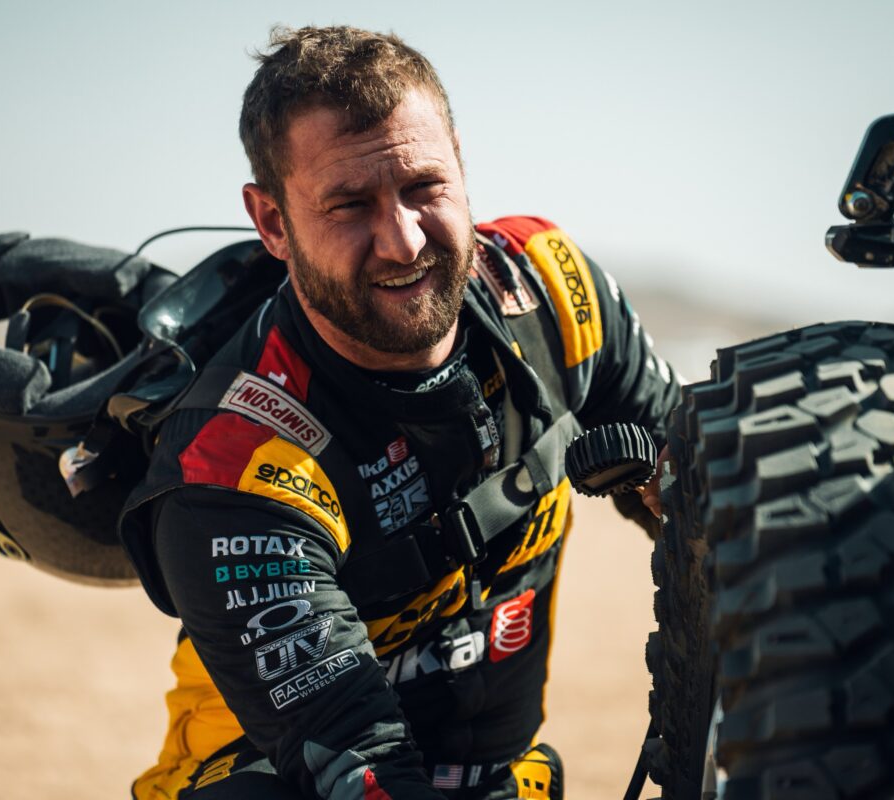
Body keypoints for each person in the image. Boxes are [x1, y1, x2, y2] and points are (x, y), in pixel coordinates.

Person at [118, 25, 681, 800]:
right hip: (279, 775)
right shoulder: (233, 461)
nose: (403, 240)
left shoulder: (554, 293)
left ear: (460, 158)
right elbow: (359, 769)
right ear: (273, 222)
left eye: (424, 187)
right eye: (349, 206)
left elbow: (715, 496)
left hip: (497, 773)